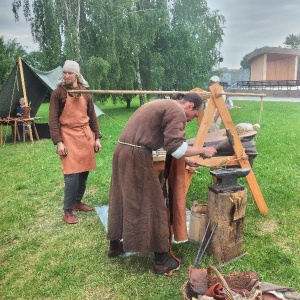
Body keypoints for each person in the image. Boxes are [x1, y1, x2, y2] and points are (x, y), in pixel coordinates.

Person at [107, 92, 217, 275]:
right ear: (189, 106)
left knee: (122, 197)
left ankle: (115, 246)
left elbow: (166, 143)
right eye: (194, 115)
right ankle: (161, 261)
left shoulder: (162, 103)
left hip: (122, 151)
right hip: (136, 156)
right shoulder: (177, 111)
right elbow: (175, 147)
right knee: (155, 206)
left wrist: (187, 160)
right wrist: (203, 150)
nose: (190, 120)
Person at [49, 60, 102, 224]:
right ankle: (67, 211)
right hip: (68, 135)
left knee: (84, 172)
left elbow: (92, 116)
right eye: (64, 72)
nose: (66, 75)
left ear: (76, 74)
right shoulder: (58, 93)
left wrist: (97, 137)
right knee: (71, 175)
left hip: (85, 135)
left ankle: (77, 202)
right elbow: (52, 120)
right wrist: (59, 142)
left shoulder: (86, 92)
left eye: (69, 73)